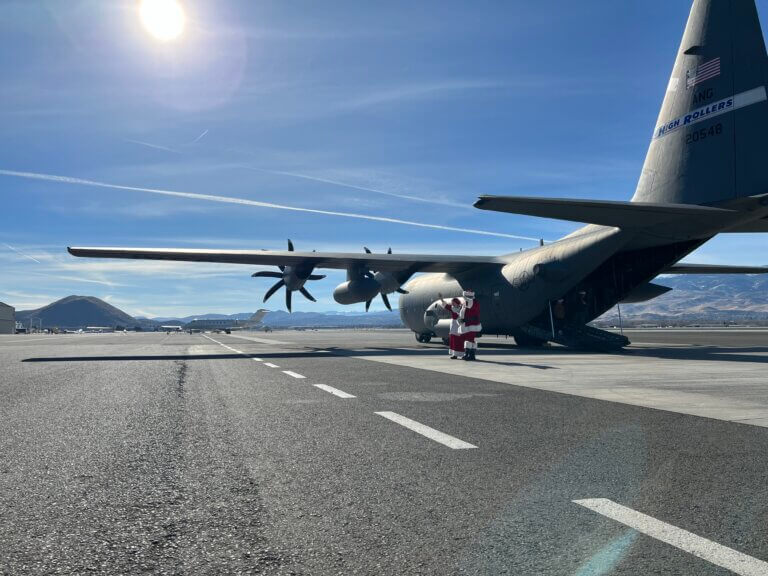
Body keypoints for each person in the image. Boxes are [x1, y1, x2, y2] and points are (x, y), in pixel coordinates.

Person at [459, 289, 482, 361]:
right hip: (469, 324)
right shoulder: (468, 303)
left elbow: (469, 305)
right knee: (471, 340)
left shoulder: (473, 302)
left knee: (469, 340)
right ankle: (472, 355)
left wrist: (464, 296)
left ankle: (467, 354)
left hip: (472, 324)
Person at [438, 293, 463, 359]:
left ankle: (461, 353)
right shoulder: (452, 308)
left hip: (459, 324)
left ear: (457, 303)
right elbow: (445, 305)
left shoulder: (462, 308)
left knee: (459, 339)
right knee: (453, 339)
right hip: (454, 324)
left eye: (454, 303)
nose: (453, 304)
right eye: (452, 303)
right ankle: (454, 354)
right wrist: (441, 298)